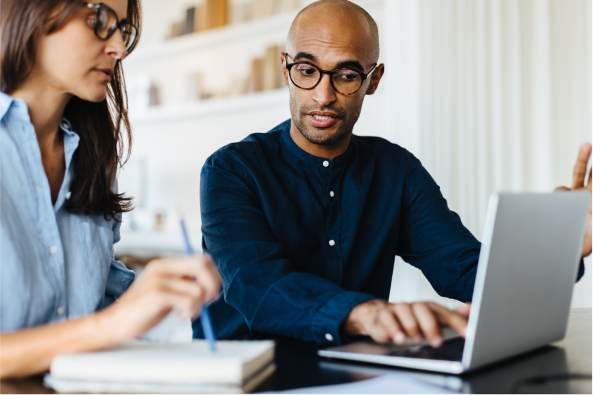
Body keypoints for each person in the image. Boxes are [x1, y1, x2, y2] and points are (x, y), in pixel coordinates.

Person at [199, 0, 591, 347]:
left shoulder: (396, 171)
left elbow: (466, 271)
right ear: (286, 70)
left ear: (374, 80)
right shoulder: (230, 171)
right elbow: (259, 287)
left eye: (347, 75)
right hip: (243, 377)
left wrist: (561, 244)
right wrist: (364, 313)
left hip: (355, 375)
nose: (323, 95)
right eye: (307, 70)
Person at [0, 0, 220, 379]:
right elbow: (105, 324)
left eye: (122, 29)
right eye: (100, 20)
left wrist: (158, 292)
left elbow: (95, 295)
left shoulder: (93, 160)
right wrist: (115, 322)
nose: (118, 48)